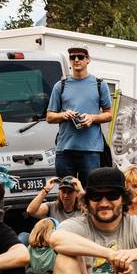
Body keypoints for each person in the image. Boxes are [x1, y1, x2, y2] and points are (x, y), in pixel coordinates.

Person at [43, 46, 114, 185]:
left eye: (80, 57)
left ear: (88, 60)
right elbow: (49, 117)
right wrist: (64, 115)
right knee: (66, 192)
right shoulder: (61, 85)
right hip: (65, 149)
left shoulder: (100, 85)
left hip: (91, 150)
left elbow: (109, 115)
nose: (76, 60)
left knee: (89, 194)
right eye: (72, 57)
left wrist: (92, 118)